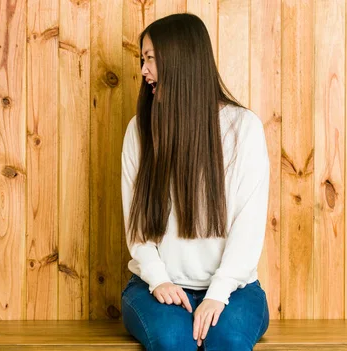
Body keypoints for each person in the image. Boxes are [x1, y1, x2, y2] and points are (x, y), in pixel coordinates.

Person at [120, 13, 270, 351]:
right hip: (155, 287)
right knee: (174, 341)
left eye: (151, 59)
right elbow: (137, 228)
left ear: (180, 60)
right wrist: (159, 280)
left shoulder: (243, 129)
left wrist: (217, 294)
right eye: (142, 60)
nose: (143, 71)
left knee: (228, 340)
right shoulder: (139, 131)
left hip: (236, 290)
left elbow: (248, 226)